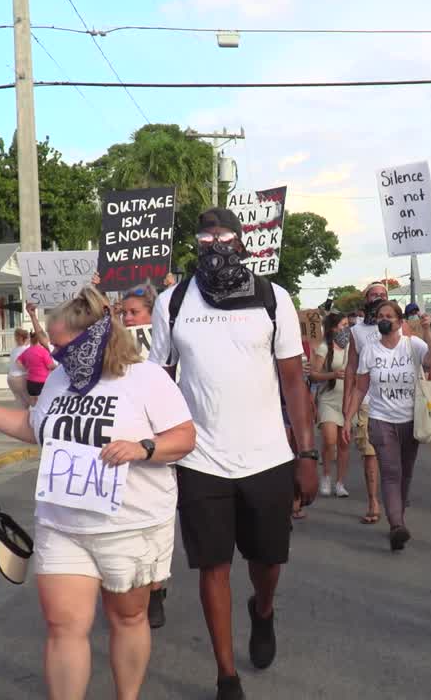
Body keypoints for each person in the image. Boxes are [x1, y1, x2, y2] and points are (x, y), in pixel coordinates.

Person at [0, 286, 197, 700]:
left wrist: (142, 448)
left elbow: (184, 438)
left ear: (92, 337)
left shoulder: (144, 378)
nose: (55, 354)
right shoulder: (59, 379)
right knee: (62, 625)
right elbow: (33, 428)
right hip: (63, 524)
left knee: (128, 618)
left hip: (129, 525)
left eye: (61, 344)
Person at [147, 207, 317, 700]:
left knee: (267, 561)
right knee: (212, 565)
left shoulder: (272, 298)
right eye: (206, 233)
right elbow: (161, 378)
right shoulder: (173, 301)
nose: (216, 240)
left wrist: (306, 453)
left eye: (224, 233)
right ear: (195, 243)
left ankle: (262, 610)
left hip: (267, 456)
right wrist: (157, 447)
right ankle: (226, 675)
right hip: (200, 459)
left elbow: (292, 379)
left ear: (243, 242)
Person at [343, 300, 431, 551]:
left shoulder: (413, 345)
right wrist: (348, 418)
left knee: (405, 472)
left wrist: (428, 331)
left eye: (389, 315)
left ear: (400, 322)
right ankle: (396, 525)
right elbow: (361, 387)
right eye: (379, 316)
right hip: (380, 418)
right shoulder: (370, 350)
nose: (383, 319)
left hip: (411, 419)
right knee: (390, 472)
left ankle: (399, 510)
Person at [118, 282, 170, 628]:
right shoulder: (114, 349)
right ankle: (129, 585)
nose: (127, 318)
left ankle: (155, 590)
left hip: (160, 445)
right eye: (123, 313)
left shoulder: (166, 351)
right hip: (124, 446)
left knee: (157, 519)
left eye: (134, 312)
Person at [344, 281, 392, 525]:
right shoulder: (357, 331)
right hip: (367, 401)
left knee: (393, 456)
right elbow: (351, 367)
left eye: (382, 295)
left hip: (396, 401)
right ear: (366, 299)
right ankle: (373, 500)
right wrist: (347, 405)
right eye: (374, 295)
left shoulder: (398, 326)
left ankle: (394, 497)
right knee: (369, 453)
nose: (378, 298)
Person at [309, 312, 351, 498]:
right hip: (328, 399)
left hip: (347, 400)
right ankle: (326, 475)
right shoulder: (324, 348)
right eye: (343, 325)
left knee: (343, 443)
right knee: (329, 440)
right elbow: (314, 375)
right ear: (334, 328)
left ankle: (340, 482)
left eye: (348, 325)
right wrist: (332, 375)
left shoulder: (352, 347)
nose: (346, 328)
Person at [17, 328, 56, 406]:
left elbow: (18, 361)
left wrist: (26, 369)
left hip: (30, 382)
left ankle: (33, 417)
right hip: (42, 382)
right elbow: (50, 366)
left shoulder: (27, 351)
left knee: (33, 404)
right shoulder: (43, 352)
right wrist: (58, 367)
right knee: (43, 403)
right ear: (39, 340)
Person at [7, 327, 31, 408]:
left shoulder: (14, 350)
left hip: (11, 378)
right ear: (26, 338)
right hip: (20, 378)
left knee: (20, 401)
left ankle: (19, 417)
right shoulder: (26, 349)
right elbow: (22, 365)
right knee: (30, 401)